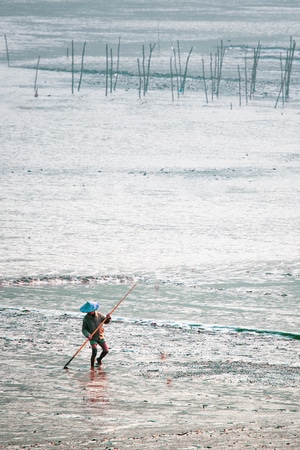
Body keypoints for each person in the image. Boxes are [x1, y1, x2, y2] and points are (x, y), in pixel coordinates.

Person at [80, 301, 111, 368]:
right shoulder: (86, 319)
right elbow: (84, 329)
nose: (89, 312)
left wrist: (108, 318)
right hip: (92, 337)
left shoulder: (99, 315)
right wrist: (88, 335)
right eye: (88, 311)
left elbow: (106, 322)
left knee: (106, 350)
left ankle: (99, 359)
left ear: (94, 310)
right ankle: (92, 366)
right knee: (94, 350)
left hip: (100, 336)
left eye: (90, 311)